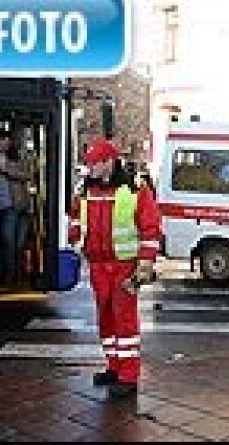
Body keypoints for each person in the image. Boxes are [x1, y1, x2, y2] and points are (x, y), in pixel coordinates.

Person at [68, 138, 162, 400]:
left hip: (124, 266)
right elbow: (75, 217)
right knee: (106, 318)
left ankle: (129, 376)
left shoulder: (134, 189)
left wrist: (145, 262)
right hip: (99, 265)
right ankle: (114, 366)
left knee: (125, 320)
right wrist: (77, 243)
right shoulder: (85, 189)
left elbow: (150, 226)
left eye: (94, 163)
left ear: (109, 162)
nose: (89, 168)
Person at [0, 128, 32, 285]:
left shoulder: (17, 155)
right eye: (1, 140)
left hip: (13, 204)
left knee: (9, 239)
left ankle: (11, 274)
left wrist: (8, 170)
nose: (4, 144)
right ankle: (1, 272)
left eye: (7, 141)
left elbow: (27, 174)